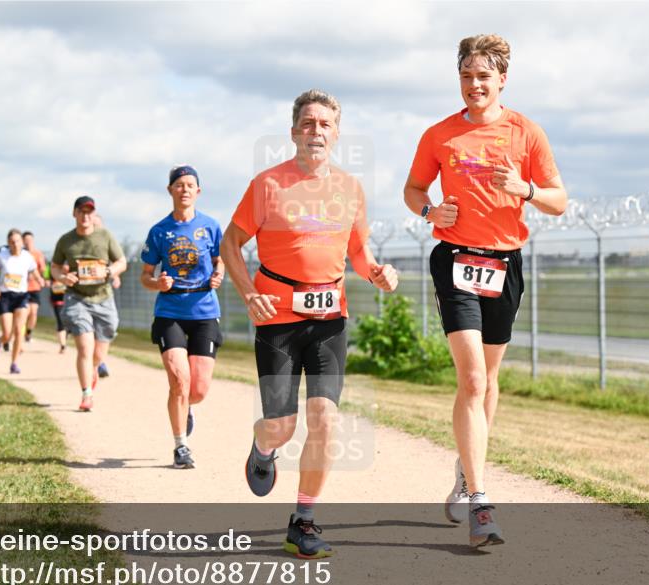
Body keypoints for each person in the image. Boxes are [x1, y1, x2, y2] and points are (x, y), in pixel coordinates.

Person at [403, 34, 568, 548]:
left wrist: (526, 190)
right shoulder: (439, 135)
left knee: (489, 380)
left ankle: (465, 468)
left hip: (504, 264)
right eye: (466, 76)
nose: (474, 84)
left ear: (502, 80)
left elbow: (560, 200)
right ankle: (480, 500)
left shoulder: (526, 132)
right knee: (472, 379)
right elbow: (413, 189)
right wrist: (430, 210)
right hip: (454, 259)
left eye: (483, 76)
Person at [222, 89, 398, 559]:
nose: (316, 130)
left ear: (336, 134)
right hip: (278, 321)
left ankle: (303, 521)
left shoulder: (350, 188)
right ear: (294, 131)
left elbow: (358, 253)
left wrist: (377, 272)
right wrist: (249, 294)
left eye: (325, 124)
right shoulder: (267, 184)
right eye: (308, 123)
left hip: (329, 321)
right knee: (280, 427)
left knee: (324, 418)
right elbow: (231, 243)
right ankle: (263, 448)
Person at [141, 165, 225, 469]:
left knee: (197, 390)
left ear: (198, 191)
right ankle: (180, 446)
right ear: (170, 190)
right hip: (170, 311)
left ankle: (187, 407)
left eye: (190, 185)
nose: (184, 189)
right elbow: (145, 276)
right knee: (179, 379)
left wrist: (218, 274)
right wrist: (157, 283)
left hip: (204, 310)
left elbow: (220, 261)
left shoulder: (211, 226)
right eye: (179, 184)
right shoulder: (159, 231)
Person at [51, 196, 127, 412]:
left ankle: (92, 369)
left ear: (94, 215)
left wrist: (110, 271)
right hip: (77, 299)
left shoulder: (105, 236)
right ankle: (86, 394)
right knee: (85, 347)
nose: (85, 216)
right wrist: (63, 277)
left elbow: (121, 262)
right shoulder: (66, 240)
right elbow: (55, 266)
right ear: (74, 214)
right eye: (81, 212)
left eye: (89, 212)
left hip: (103, 299)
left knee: (98, 355)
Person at [0, 228, 42, 374]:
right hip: (5, 296)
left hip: (21, 296)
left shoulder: (27, 257)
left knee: (19, 331)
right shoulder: (1, 256)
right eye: (12, 242)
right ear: (8, 242)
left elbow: (33, 270)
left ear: (22, 242)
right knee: (7, 334)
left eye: (18, 241)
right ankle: (0, 341)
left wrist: (40, 279)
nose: (15, 244)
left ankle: (14, 363)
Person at [22, 231, 48, 343]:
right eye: (26, 240)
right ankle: (19, 334)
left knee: (33, 312)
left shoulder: (38, 254)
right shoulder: (20, 254)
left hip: (35, 287)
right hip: (22, 288)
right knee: (24, 312)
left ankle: (28, 332)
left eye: (30, 240)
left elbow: (44, 269)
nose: (28, 242)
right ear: (23, 241)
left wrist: (43, 278)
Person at [47, 261, 69, 353]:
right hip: (57, 299)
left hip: (70, 299)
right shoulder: (51, 265)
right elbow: (47, 278)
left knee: (69, 322)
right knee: (60, 322)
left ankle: (65, 338)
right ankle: (63, 345)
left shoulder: (71, 262)